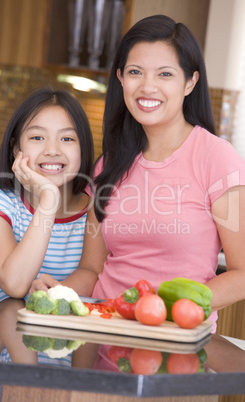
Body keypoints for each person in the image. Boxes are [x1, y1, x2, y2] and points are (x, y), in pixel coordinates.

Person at [31, 15, 245, 337]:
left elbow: (242, 274)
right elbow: (92, 269)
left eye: (165, 74)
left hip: (175, 345)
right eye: (135, 72)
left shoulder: (216, 158)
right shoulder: (110, 164)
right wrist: (59, 291)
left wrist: (164, 311)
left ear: (190, 82)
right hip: (101, 336)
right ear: (120, 78)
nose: (147, 86)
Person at [0, 87, 94, 365]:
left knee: (91, 314)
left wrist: (55, 292)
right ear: (17, 148)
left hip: (67, 364)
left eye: (67, 138)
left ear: (83, 148)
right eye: (37, 137)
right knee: (13, 309)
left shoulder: (94, 210)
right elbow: (16, 284)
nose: (52, 150)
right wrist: (48, 201)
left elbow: (93, 274)